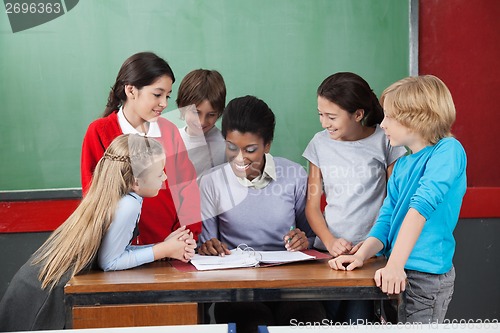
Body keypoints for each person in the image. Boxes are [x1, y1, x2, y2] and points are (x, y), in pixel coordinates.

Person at [0, 134, 196, 331]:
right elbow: (110, 262)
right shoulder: (129, 204)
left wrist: (165, 247)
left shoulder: (123, 196)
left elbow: (116, 251)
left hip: (35, 288)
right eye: (160, 173)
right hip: (42, 299)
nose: (165, 177)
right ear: (136, 182)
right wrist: (163, 249)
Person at [329, 75, 467, 324]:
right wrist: (362, 255)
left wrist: (395, 265)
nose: (382, 124)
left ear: (416, 118)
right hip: (396, 270)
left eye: (389, 117)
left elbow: (420, 209)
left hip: (425, 276)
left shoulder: (448, 150)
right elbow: (387, 218)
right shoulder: (402, 165)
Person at [198, 95, 324, 333]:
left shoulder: (295, 175)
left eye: (250, 150)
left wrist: (303, 240)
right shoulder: (211, 182)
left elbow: (312, 239)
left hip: (291, 284)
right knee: (252, 324)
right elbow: (207, 246)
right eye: (232, 147)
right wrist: (208, 247)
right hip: (238, 288)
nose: (239, 158)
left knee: (307, 319)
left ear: (267, 145)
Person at [302, 72, 407, 323]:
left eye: (331, 116)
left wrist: (372, 244)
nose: (324, 123)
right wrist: (329, 241)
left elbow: (397, 200)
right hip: (331, 256)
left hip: (372, 255)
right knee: (328, 317)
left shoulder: (386, 140)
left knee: (359, 320)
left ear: (358, 114)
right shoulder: (319, 144)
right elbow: (312, 207)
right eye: (320, 114)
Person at [81, 52, 201, 245]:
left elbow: (188, 189)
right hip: (120, 252)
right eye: (157, 94)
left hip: (171, 248)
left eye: (168, 96)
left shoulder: (168, 130)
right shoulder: (100, 131)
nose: (164, 103)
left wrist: (183, 236)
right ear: (131, 90)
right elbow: (93, 196)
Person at [176, 69, 227, 177]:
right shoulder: (172, 140)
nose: (202, 122)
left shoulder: (225, 144)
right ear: (182, 107)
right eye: (196, 112)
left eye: (211, 114)